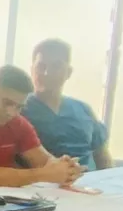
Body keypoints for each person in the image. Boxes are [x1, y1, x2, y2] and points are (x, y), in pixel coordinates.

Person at [0, 65, 84, 188]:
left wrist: (66, 169)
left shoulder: (18, 122)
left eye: (19, 107)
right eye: (7, 103)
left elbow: (44, 162)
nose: (11, 113)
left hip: (7, 198)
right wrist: (42, 175)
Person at [22, 39, 112, 171]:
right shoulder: (18, 109)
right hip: (45, 180)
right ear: (31, 70)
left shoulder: (83, 110)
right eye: (41, 66)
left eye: (56, 66)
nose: (47, 73)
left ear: (68, 72)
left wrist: (111, 179)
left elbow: (103, 157)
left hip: (90, 180)